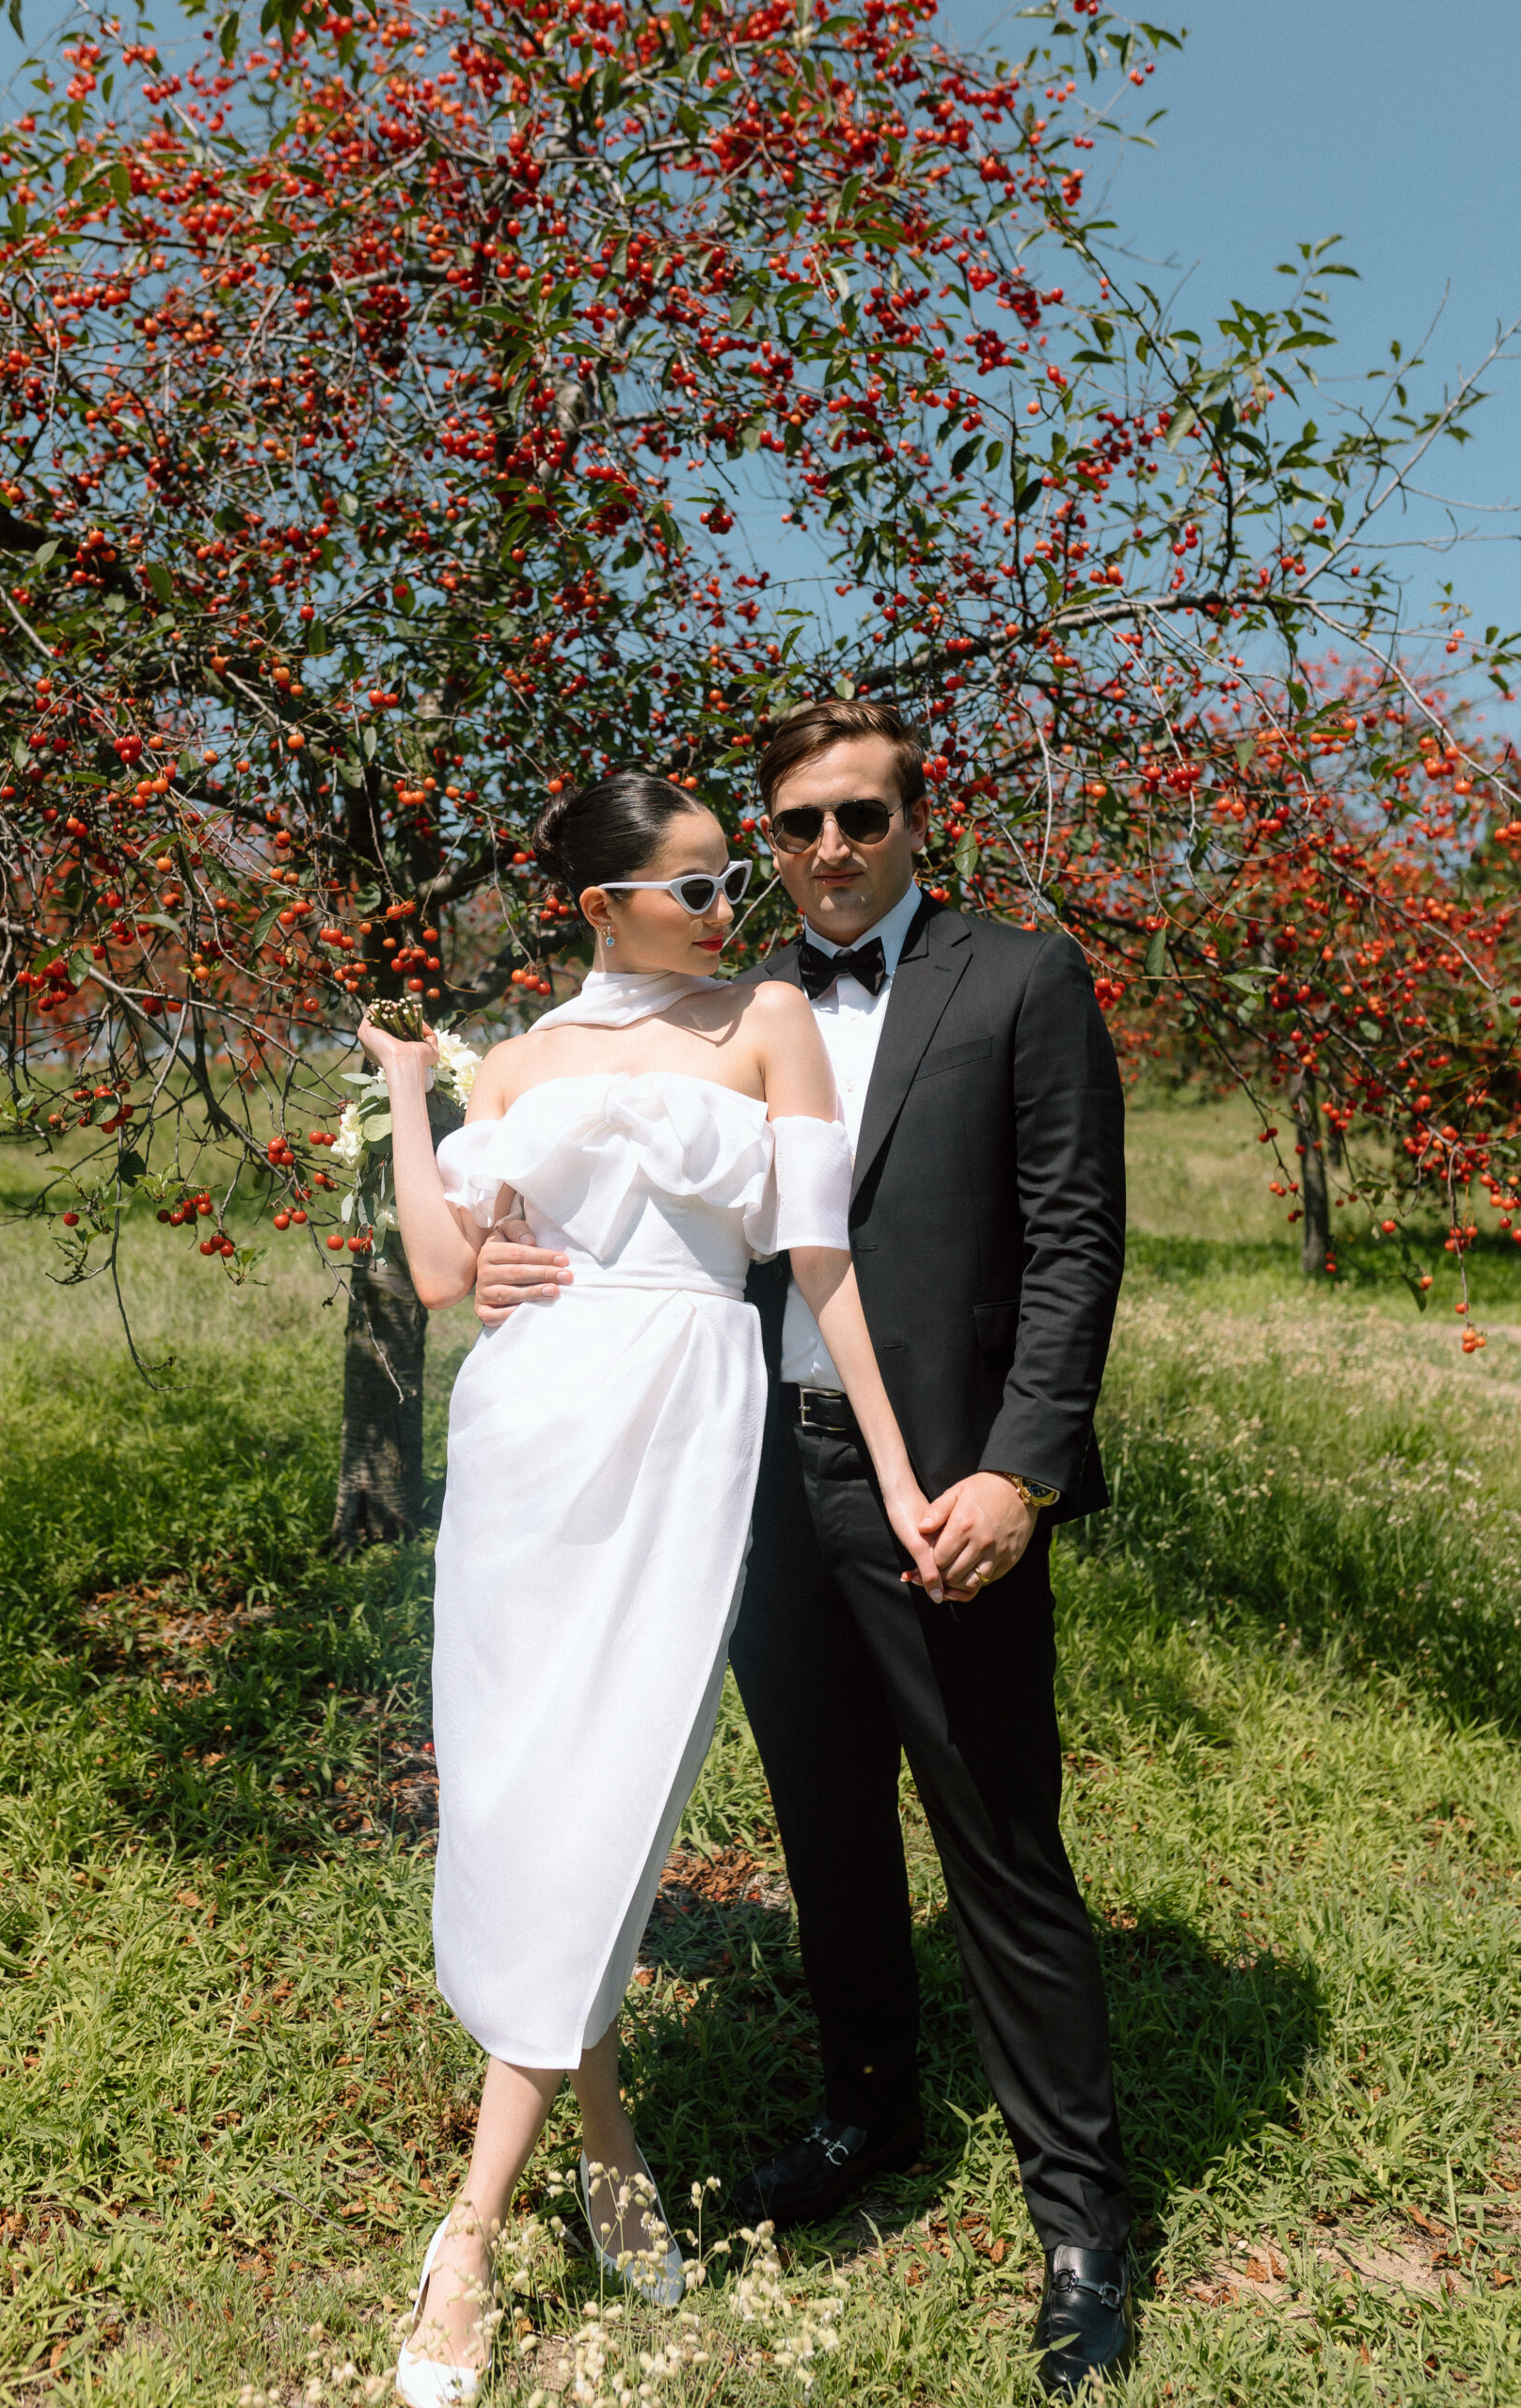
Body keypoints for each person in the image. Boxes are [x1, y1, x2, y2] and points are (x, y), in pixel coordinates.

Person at [474, 701, 1133, 2397]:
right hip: (738, 1479)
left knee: (1000, 1835)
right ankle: (867, 2113)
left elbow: (1073, 1244)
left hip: (939, 1488)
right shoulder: (721, 998)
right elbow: (599, 1187)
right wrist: (495, 1266)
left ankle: (1080, 2218)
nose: (828, 850)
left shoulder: (1019, 979)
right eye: (795, 826)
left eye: (859, 816)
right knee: (824, 1823)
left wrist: (1021, 1475)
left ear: (921, 819)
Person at [359, 768, 943, 2406]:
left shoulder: (765, 1021)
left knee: (617, 1791)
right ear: (601, 903)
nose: (730, 910)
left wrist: (896, 1470)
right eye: (692, 888)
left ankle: (465, 2234)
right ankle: (602, 2143)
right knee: (529, 1796)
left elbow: (819, 1265)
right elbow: (439, 1269)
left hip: (690, 1424)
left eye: (725, 879)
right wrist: (414, 1096)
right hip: (530, 1434)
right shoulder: (525, 1056)